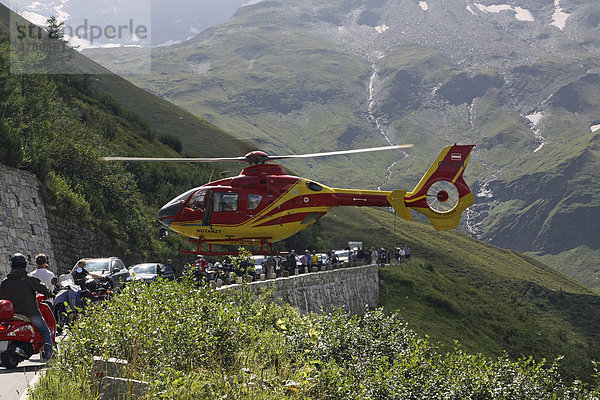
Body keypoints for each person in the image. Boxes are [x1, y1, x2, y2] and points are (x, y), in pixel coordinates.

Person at [0, 253, 55, 362]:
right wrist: (51, 294)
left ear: (12, 265)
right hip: (30, 313)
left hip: (12, 314)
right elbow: (43, 288)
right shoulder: (28, 278)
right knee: (45, 331)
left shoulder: (6, 281)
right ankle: (50, 357)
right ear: (24, 264)